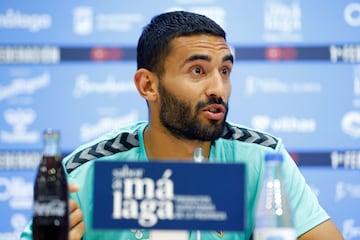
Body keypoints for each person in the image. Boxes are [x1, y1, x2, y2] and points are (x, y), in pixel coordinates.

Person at [21, 10, 344, 240]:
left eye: (225, 71)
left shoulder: (262, 157)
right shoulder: (88, 170)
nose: (218, 88)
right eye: (198, 71)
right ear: (148, 85)